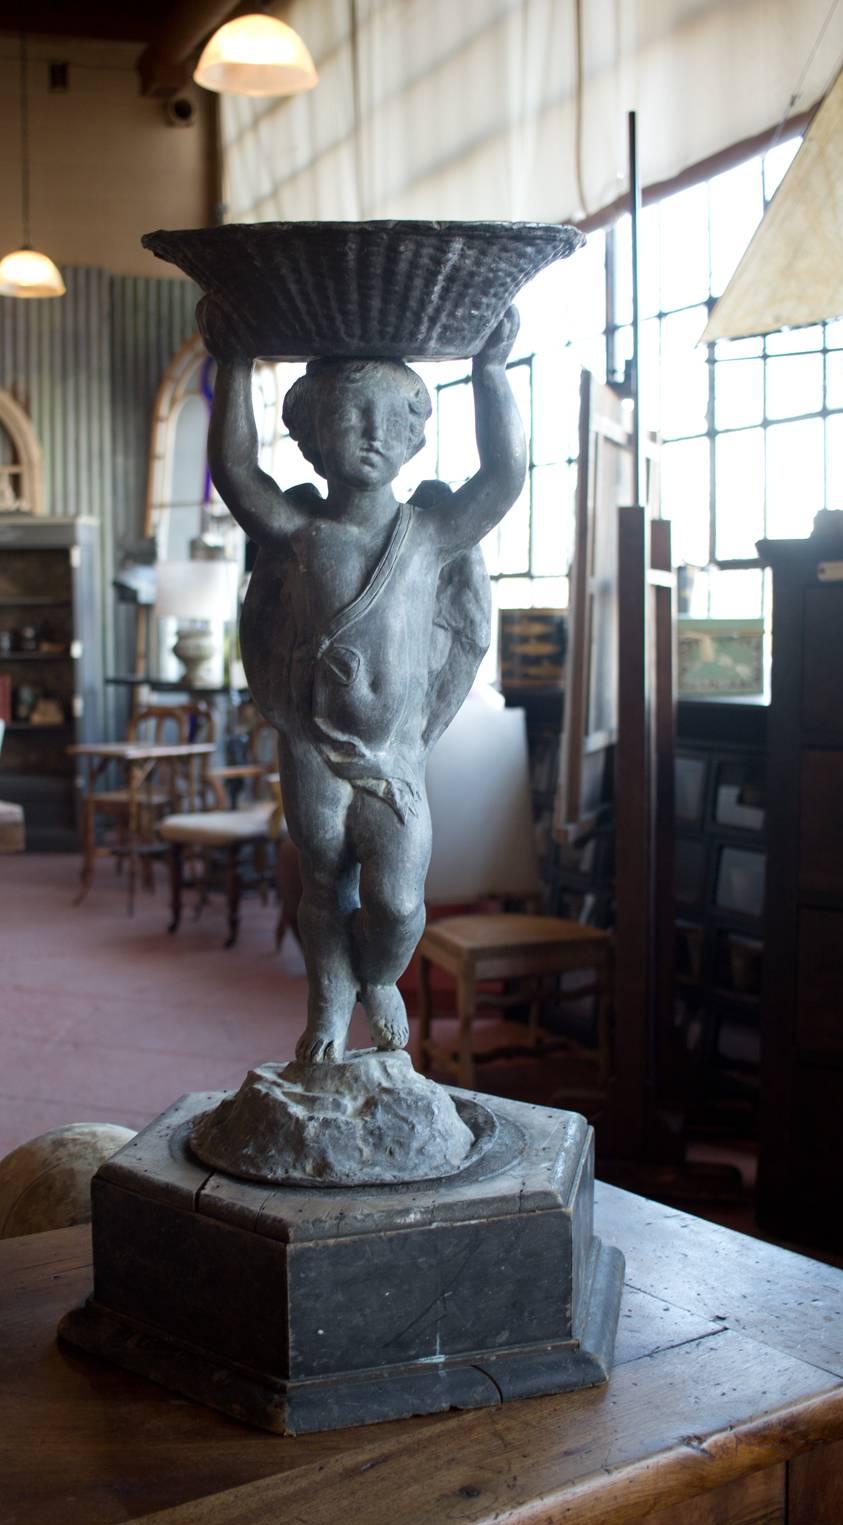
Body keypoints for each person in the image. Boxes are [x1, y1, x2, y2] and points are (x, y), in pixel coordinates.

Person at [200, 299, 525, 1063]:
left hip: (394, 754)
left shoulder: (430, 533)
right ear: (311, 437)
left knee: (396, 902)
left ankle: (378, 974)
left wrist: (491, 373)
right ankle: (324, 1010)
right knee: (321, 877)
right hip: (314, 742)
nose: (373, 433)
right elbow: (236, 473)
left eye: (391, 418)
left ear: (416, 435)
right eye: (351, 416)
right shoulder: (300, 532)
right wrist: (235, 365)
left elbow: (504, 477)